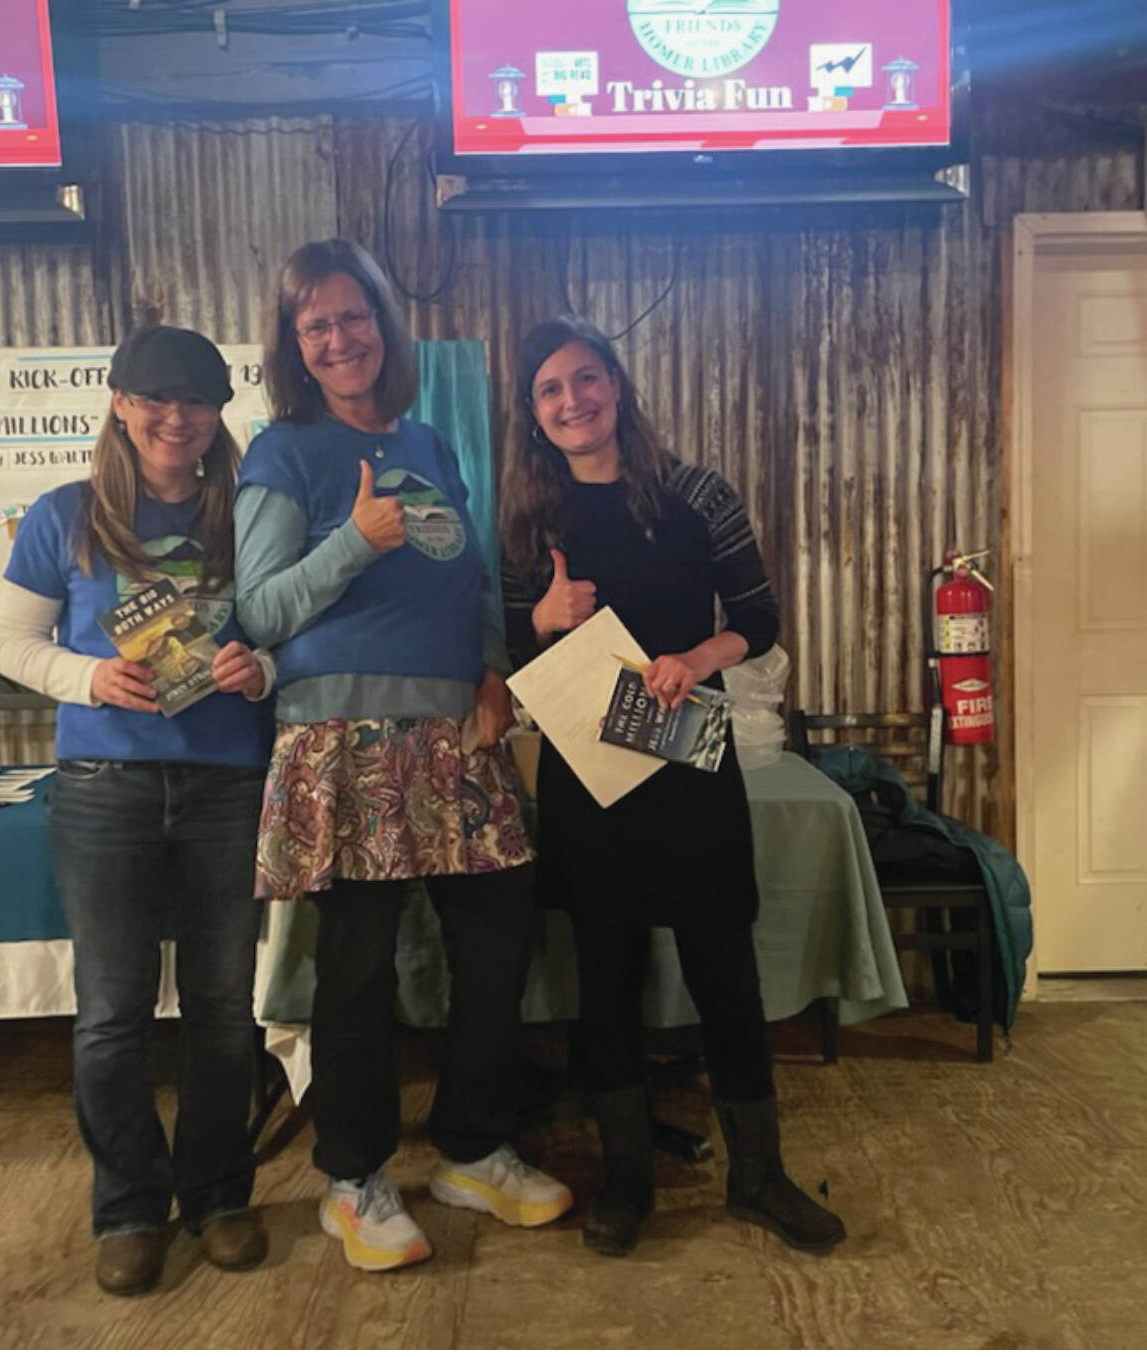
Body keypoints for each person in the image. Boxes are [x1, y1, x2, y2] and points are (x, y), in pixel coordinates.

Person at [234, 238, 572, 1272]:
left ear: (385, 320)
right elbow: (259, 606)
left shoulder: (431, 438)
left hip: (455, 732)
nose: (340, 338)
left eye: (354, 315)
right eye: (316, 325)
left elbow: (470, 583)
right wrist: (356, 538)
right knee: (358, 969)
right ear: (295, 346)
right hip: (344, 741)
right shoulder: (282, 451)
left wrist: (490, 669)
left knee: (497, 938)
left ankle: (472, 1146)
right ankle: (354, 1175)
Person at [499, 314, 846, 1259]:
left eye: (586, 379)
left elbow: (761, 619)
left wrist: (697, 655)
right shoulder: (529, 519)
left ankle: (759, 1178)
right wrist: (540, 615)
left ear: (616, 383)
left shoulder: (698, 494)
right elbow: (500, 645)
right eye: (550, 391)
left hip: (690, 750)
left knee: (724, 971)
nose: (573, 401)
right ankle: (626, 1179)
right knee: (602, 979)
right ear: (533, 415)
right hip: (589, 771)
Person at [0, 326, 276, 1295]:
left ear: (218, 413)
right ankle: (128, 1206)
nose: (176, 417)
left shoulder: (251, 514)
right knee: (111, 1015)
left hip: (228, 786)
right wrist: (89, 678)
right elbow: (10, 643)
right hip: (104, 791)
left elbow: (295, 635)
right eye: (155, 397)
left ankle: (219, 1194)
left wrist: (261, 665)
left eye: (196, 400)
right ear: (118, 402)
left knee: (224, 1011)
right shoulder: (66, 515)